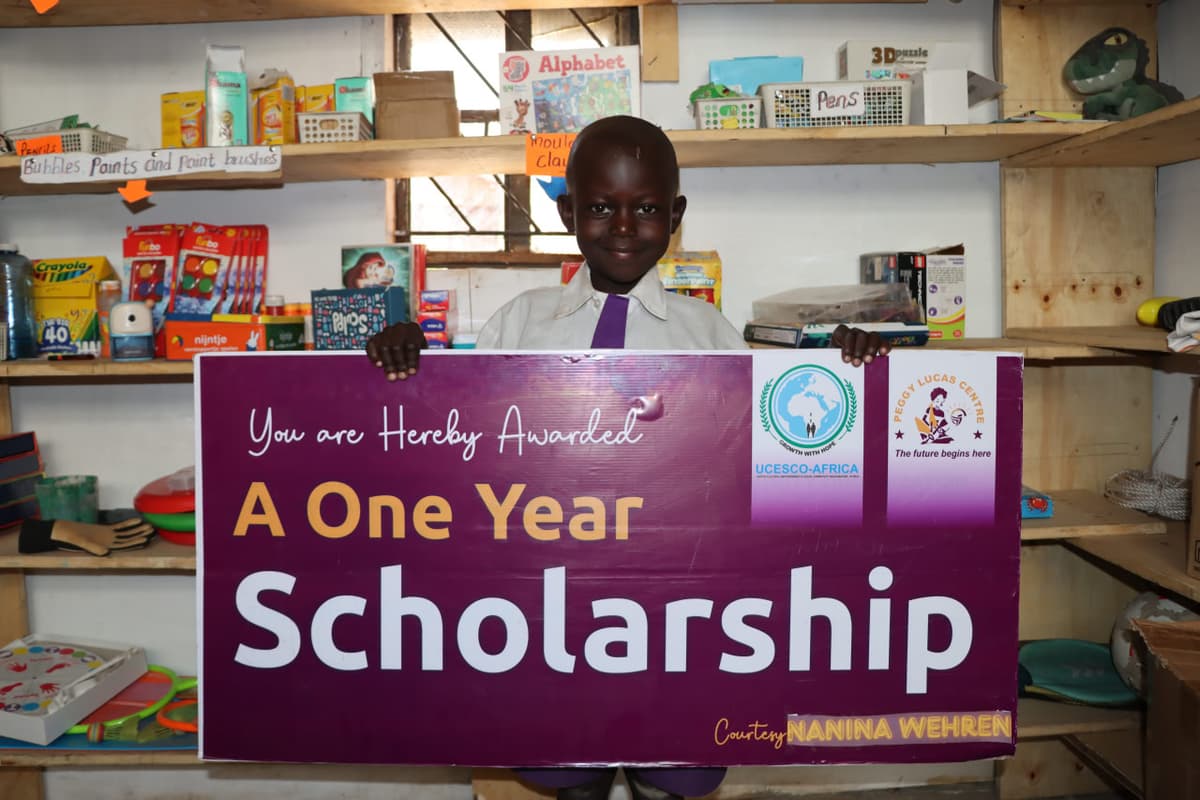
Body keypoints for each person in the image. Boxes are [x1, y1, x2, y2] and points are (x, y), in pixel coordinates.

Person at [365, 115, 889, 799]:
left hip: (682, 612)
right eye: (600, 207)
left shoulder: (711, 334)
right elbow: (462, 441)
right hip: (549, 608)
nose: (621, 226)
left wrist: (849, 367)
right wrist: (406, 354)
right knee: (568, 769)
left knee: (674, 773)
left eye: (644, 208)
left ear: (674, 216)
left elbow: (770, 447)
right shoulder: (519, 322)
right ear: (566, 213)